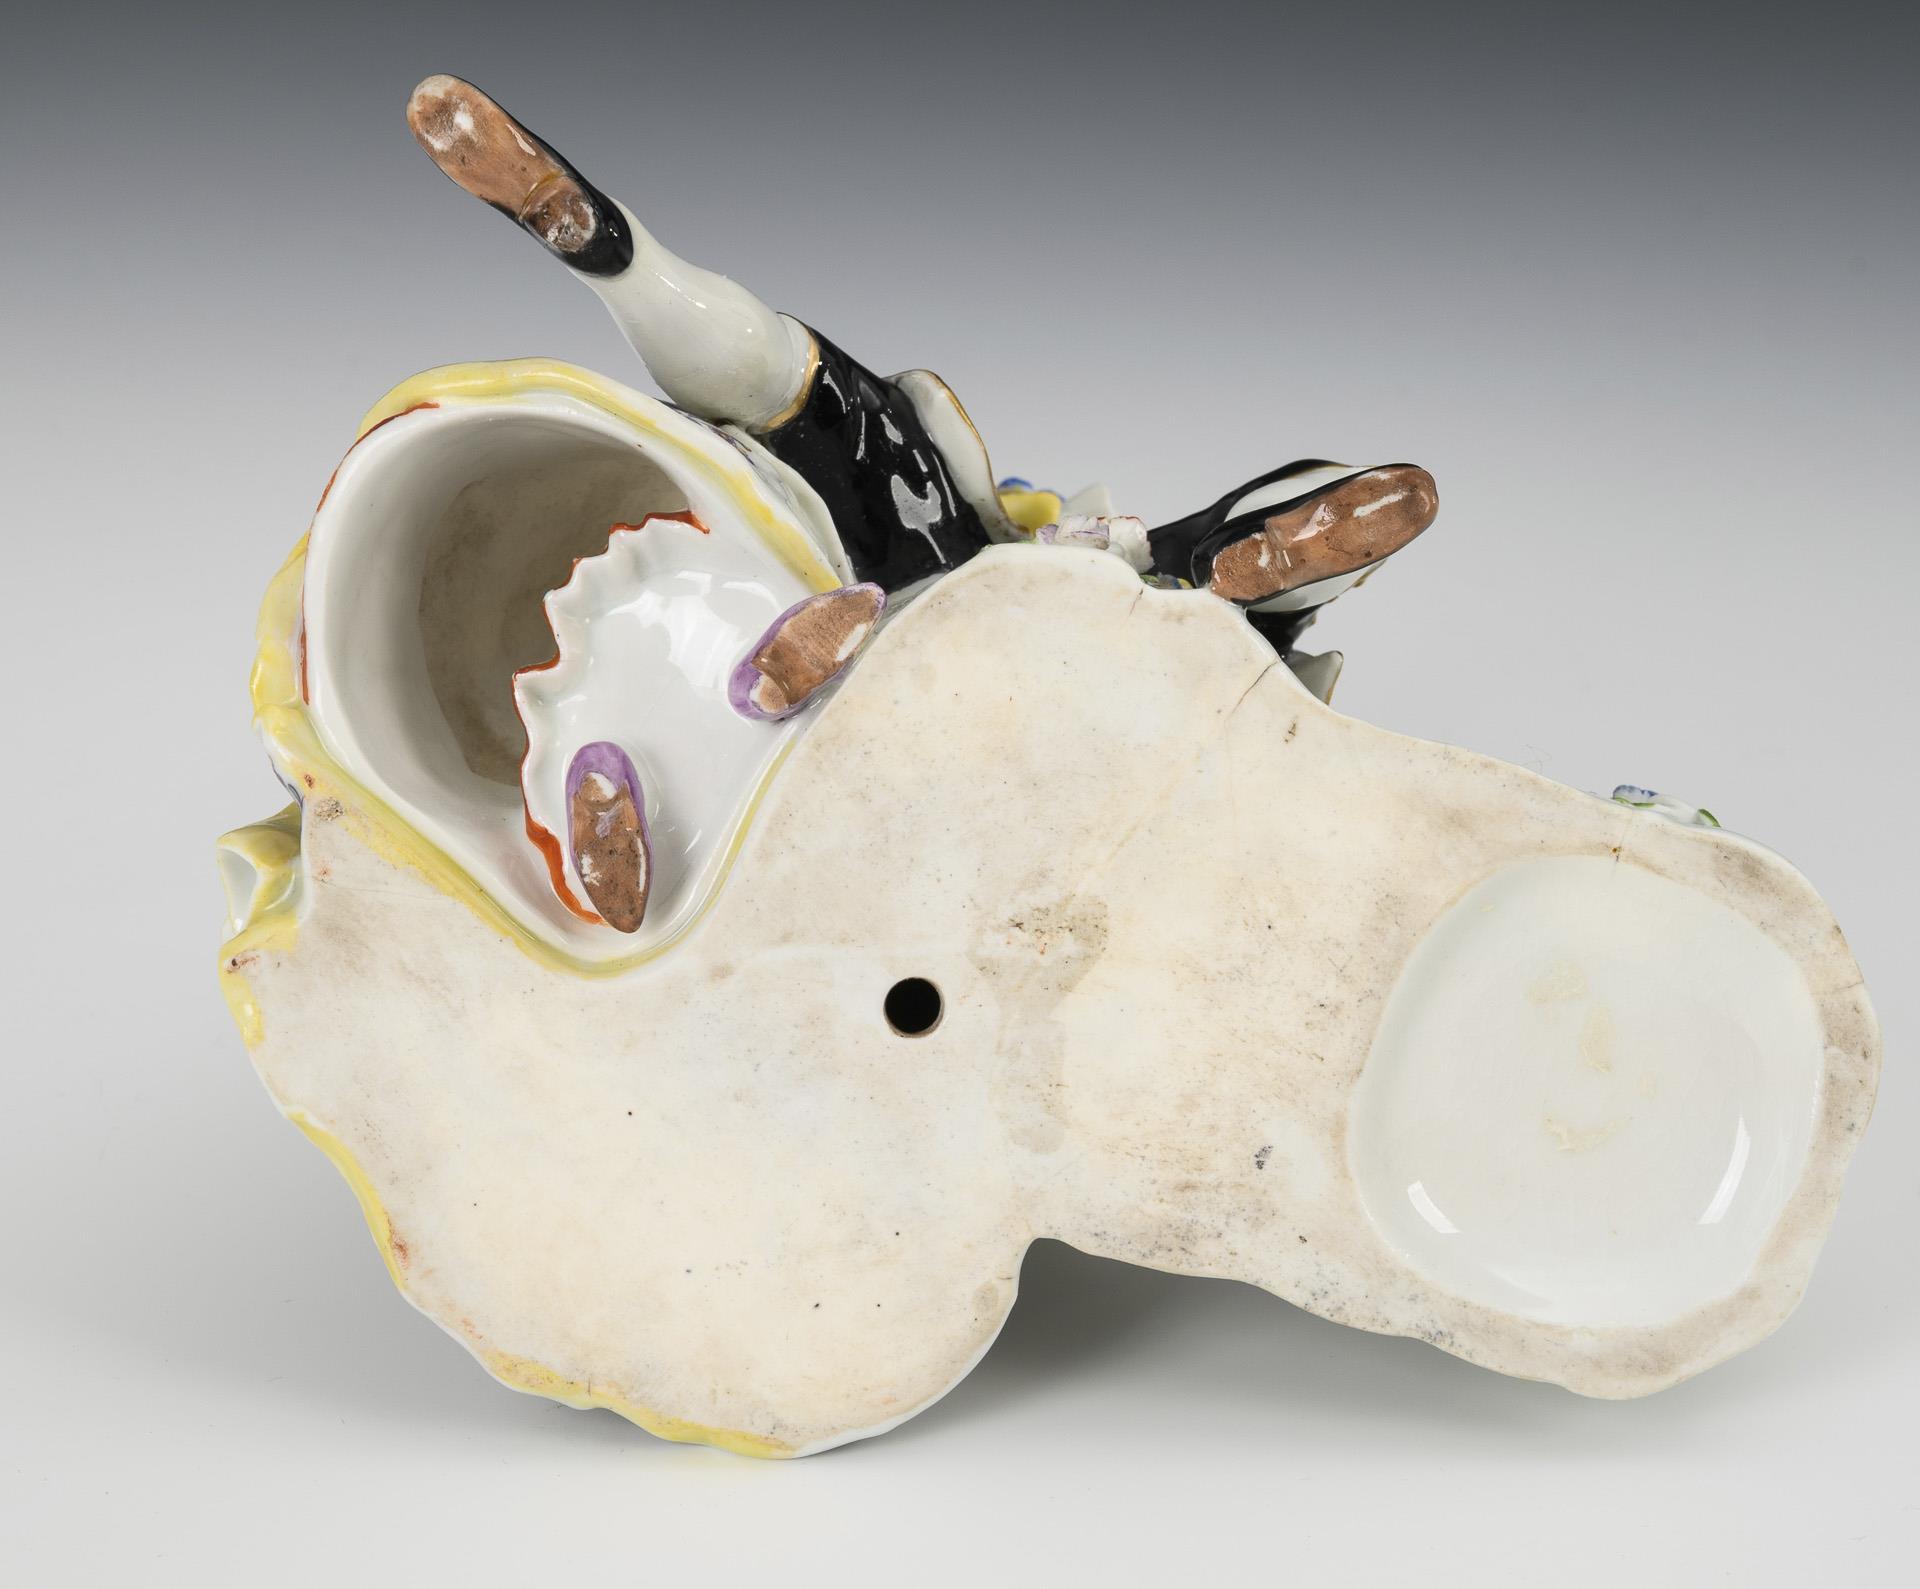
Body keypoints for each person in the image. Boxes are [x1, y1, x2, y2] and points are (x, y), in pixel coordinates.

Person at [404, 75, 1437, 617]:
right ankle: (608, 249)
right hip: (939, 590)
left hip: (957, 609)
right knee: (846, 424)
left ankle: (616, 255)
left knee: (824, 413)